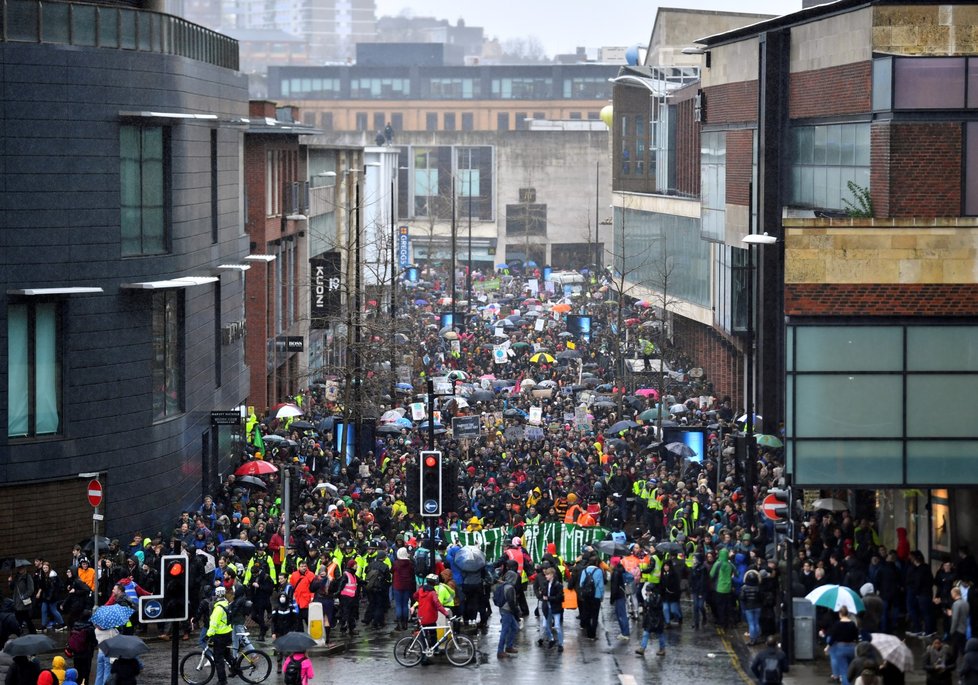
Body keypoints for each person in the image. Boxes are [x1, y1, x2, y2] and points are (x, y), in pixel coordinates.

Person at [413, 574, 450, 666]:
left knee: (423, 637)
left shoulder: (421, 589)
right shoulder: (432, 593)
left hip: (422, 617)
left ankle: (426, 653)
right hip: (431, 617)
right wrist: (446, 614)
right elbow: (437, 604)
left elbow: (415, 596)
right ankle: (433, 650)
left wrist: (421, 602)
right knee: (433, 633)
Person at [205, 585, 233, 685]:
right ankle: (235, 669)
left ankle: (222, 680)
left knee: (218, 659)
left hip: (220, 635)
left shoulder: (217, 609)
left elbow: (213, 624)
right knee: (226, 654)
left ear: (216, 595)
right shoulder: (226, 603)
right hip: (228, 632)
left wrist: (208, 635)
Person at [825, 605, 859, 685]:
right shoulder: (852, 624)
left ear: (840, 614)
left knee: (844, 671)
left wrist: (827, 647)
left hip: (841, 648)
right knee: (850, 671)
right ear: (847, 614)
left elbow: (833, 638)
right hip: (851, 648)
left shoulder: (837, 624)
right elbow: (856, 637)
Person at [495, 570, 521, 659]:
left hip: (503, 609)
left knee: (515, 628)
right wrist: (516, 612)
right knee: (505, 631)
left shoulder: (504, 585)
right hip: (507, 611)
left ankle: (509, 647)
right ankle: (500, 651)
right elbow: (511, 602)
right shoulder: (510, 588)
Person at [538, 564, 564, 653]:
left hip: (555, 608)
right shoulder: (545, 584)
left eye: (547, 575)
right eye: (545, 575)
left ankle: (560, 644)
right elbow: (543, 595)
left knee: (557, 626)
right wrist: (541, 593)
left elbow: (561, 598)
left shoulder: (558, 585)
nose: (546, 576)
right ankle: (552, 639)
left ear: (552, 575)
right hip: (547, 608)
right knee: (545, 625)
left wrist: (548, 598)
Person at [635, 582, 666, 657]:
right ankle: (642, 648)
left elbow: (654, 605)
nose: (646, 592)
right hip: (650, 618)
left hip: (657, 618)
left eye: (648, 591)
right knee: (646, 633)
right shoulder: (650, 597)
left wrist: (649, 599)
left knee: (660, 634)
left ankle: (662, 649)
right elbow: (645, 605)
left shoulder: (657, 597)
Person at [578, 554, 604, 640]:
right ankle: (593, 634)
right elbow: (601, 586)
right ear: (596, 563)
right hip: (596, 596)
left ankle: (589, 633)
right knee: (595, 616)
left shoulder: (584, 571)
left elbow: (581, 583)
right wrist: (601, 596)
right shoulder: (599, 571)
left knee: (587, 614)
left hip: (586, 596)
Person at [609, 557, 630, 642]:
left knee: (621, 615)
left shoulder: (616, 572)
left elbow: (614, 587)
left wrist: (612, 599)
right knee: (622, 614)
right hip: (621, 594)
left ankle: (625, 633)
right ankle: (624, 632)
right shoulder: (621, 569)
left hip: (618, 595)